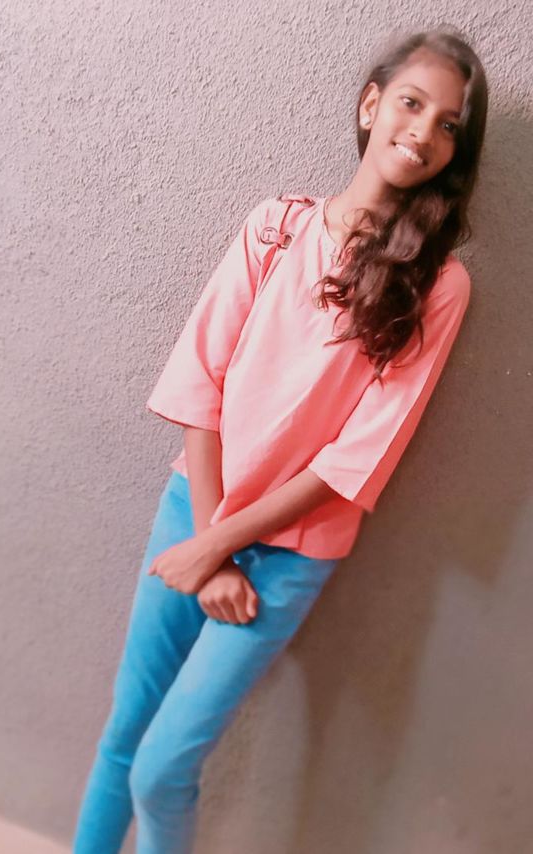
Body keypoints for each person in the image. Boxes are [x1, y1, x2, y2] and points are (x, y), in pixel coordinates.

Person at [72, 26, 488, 854]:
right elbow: (202, 382)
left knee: (162, 769)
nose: (424, 131)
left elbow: (357, 455)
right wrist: (208, 539)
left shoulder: (441, 283)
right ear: (371, 105)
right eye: (412, 104)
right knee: (123, 739)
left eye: (449, 125)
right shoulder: (276, 228)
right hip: (194, 508)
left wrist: (220, 548)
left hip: (289, 554)